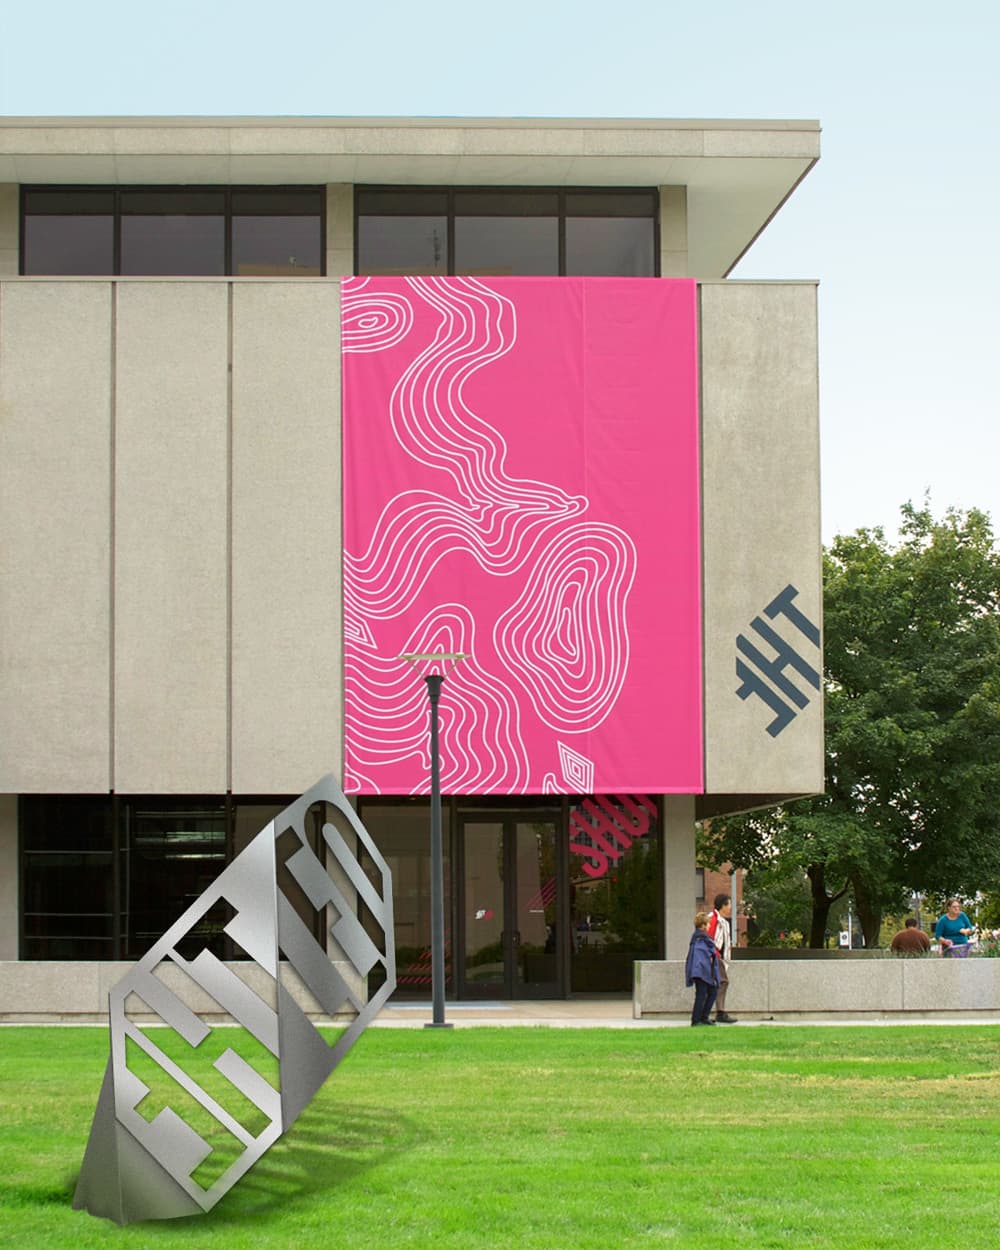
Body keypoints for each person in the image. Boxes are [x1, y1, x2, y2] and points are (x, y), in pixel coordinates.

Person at [685, 911, 720, 1026]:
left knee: (710, 992)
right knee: (702, 994)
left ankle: (703, 1017)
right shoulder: (701, 939)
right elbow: (703, 957)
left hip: (701, 972)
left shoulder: (698, 938)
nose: (709, 926)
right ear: (703, 926)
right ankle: (697, 1020)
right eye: (708, 924)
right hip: (701, 972)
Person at [706, 892, 737, 1023]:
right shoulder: (713, 919)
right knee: (723, 982)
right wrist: (712, 956)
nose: (730, 907)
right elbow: (709, 939)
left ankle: (716, 1012)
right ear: (723, 906)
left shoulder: (721, 921)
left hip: (717, 957)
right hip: (714, 956)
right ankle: (720, 1012)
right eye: (729, 904)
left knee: (718, 983)